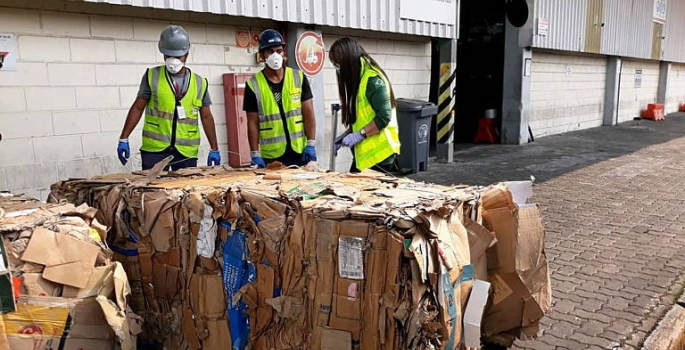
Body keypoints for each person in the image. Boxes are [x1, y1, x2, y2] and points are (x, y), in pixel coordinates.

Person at [117, 25, 221, 170]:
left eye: (177, 56)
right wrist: (124, 137)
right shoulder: (151, 76)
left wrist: (214, 148)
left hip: (186, 152)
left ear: (187, 54)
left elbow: (207, 117)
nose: (173, 60)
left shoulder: (199, 83)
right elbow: (137, 107)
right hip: (155, 150)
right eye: (168, 55)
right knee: (153, 191)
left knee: (184, 191)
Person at [243, 29, 317, 168]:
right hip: (271, 157)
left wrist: (311, 144)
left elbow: (308, 112)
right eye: (270, 52)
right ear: (263, 55)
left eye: (278, 50)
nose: (275, 55)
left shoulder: (298, 77)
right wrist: (255, 154)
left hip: (299, 152)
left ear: (283, 52)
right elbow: (252, 122)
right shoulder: (253, 85)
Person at [329, 37, 400, 173]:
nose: (337, 69)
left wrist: (358, 135)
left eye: (337, 65)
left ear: (347, 62)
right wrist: (346, 135)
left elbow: (384, 117)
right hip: (366, 158)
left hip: (380, 158)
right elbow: (363, 118)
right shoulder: (359, 80)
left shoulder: (372, 80)